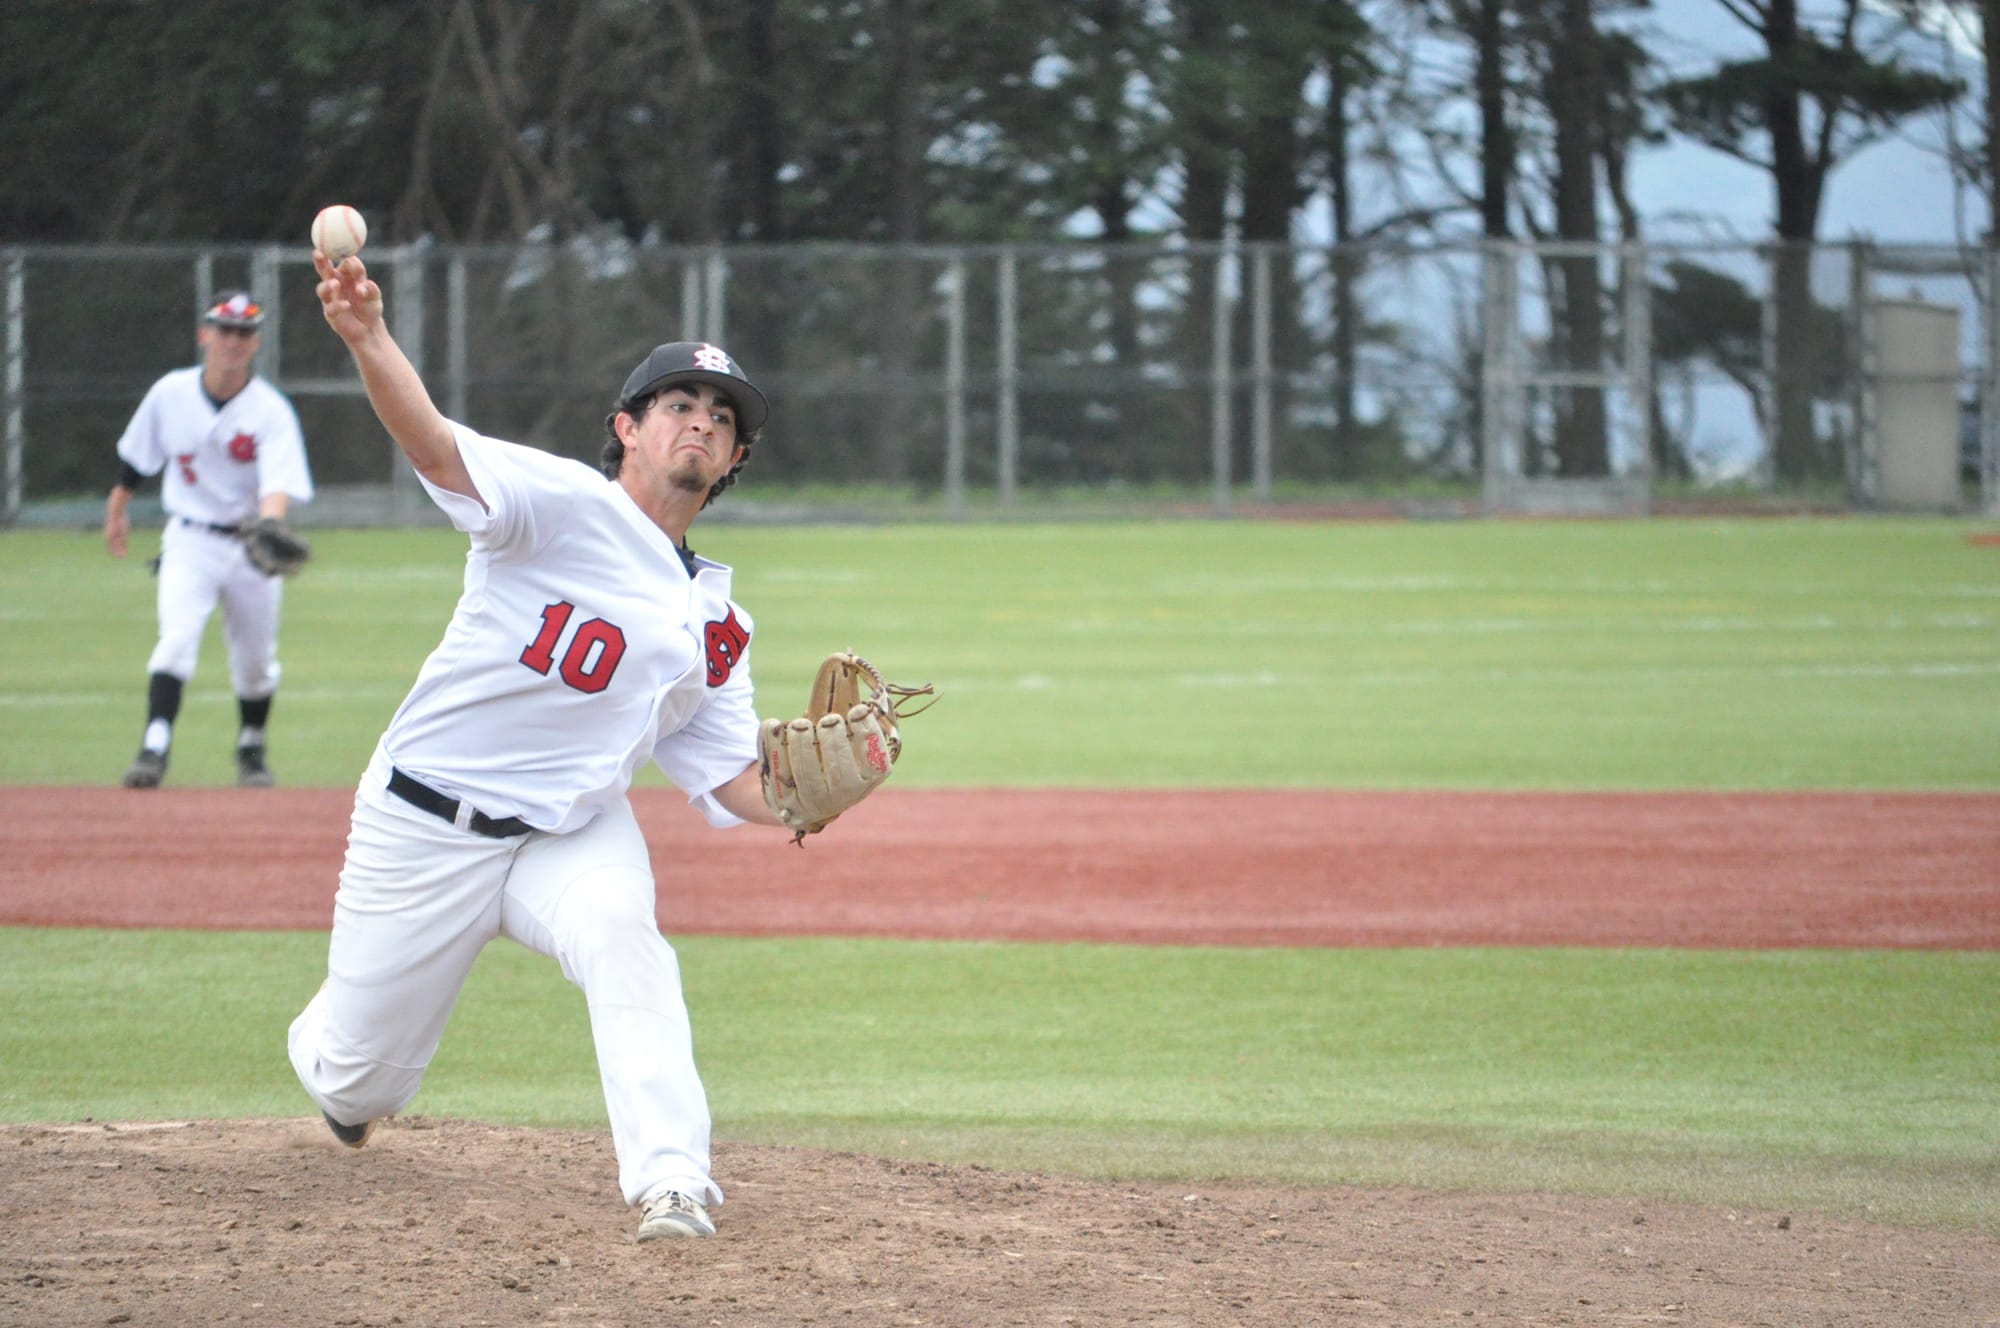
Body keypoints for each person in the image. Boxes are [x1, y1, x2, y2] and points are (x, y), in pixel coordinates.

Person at [289, 247, 794, 1243]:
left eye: (722, 415)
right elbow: (432, 445)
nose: (701, 420)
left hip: (570, 833)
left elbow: (735, 781)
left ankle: (672, 1180)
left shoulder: (715, 619)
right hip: (424, 820)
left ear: (733, 460)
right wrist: (367, 335)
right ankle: (336, 1060)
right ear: (626, 429)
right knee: (357, 1080)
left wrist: (822, 791)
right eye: (679, 402)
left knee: (626, 941)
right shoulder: (557, 504)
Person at [105, 290, 315, 790]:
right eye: (224, 329)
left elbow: (278, 483)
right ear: (205, 334)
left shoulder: (270, 410)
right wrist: (117, 511)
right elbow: (137, 459)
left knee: (257, 663)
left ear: (256, 342)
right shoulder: (170, 393)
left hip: (249, 544)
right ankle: (154, 746)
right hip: (189, 539)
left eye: (244, 332)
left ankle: (251, 748)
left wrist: (269, 525)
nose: (233, 341)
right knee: (175, 643)